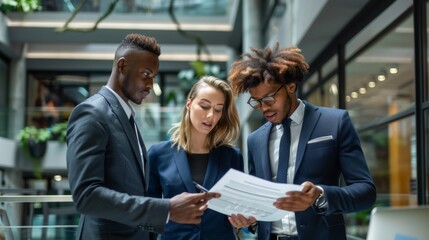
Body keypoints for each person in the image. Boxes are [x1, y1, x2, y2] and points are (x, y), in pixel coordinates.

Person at [66, 33, 219, 240]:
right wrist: (166, 209)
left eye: (153, 76)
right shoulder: (92, 113)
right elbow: (86, 195)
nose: (149, 84)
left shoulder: (126, 118)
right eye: (146, 74)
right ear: (122, 66)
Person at [227, 43, 376, 240]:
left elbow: (365, 192)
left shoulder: (335, 123)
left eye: (269, 99)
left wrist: (320, 195)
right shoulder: (255, 140)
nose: (264, 108)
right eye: (257, 102)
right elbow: (261, 204)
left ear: (291, 87)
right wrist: (251, 219)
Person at [147, 76, 246, 240]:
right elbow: (149, 213)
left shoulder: (232, 157)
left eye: (218, 109)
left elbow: (240, 208)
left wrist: (243, 219)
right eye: (204, 106)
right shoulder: (158, 154)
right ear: (189, 103)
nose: (210, 116)